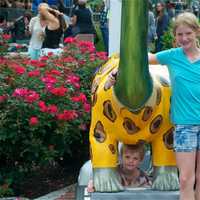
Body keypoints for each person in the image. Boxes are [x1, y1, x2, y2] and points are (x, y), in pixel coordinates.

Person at [148, 12, 200, 200]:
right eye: (179, 34)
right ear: (175, 36)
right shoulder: (172, 56)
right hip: (185, 126)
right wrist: (122, 56)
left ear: (197, 32)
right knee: (186, 179)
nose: (184, 38)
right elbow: (144, 59)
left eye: (188, 33)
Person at [87, 143, 151, 192]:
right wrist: (93, 183)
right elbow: (101, 180)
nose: (131, 161)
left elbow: (147, 194)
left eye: (135, 158)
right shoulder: (113, 173)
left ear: (141, 160)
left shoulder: (143, 178)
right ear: (121, 157)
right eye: (127, 157)